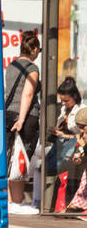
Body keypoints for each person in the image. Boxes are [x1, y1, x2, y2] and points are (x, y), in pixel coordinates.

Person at [5, 30, 41, 214]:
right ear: (34, 49)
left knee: (10, 157)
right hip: (25, 117)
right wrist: (21, 119)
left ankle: (11, 201)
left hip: (8, 113)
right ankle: (17, 202)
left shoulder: (12, 66)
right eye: (39, 50)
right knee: (22, 158)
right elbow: (27, 93)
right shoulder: (32, 68)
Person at [33, 77, 80, 210]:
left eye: (66, 100)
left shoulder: (81, 110)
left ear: (74, 97)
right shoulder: (64, 110)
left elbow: (82, 136)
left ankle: (45, 202)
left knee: (49, 166)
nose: (63, 103)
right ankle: (37, 201)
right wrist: (54, 130)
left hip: (72, 147)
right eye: (62, 100)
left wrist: (63, 134)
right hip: (60, 145)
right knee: (37, 164)